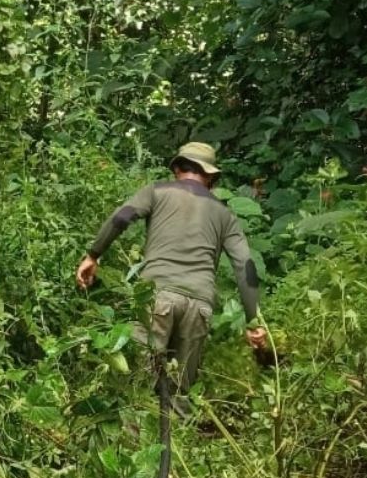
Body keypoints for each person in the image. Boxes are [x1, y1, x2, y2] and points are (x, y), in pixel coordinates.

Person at [75, 142, 268, 414]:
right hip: (199, 305)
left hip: (156, 295)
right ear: (210, 177)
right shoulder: (225, 215)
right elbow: (245, 266)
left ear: (177, 168)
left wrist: (93, 255)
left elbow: (122, 218)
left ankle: (135, 444)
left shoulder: (157, 191)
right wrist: (252, 321)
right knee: (180, 394)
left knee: (137, 388)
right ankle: (179, 448)